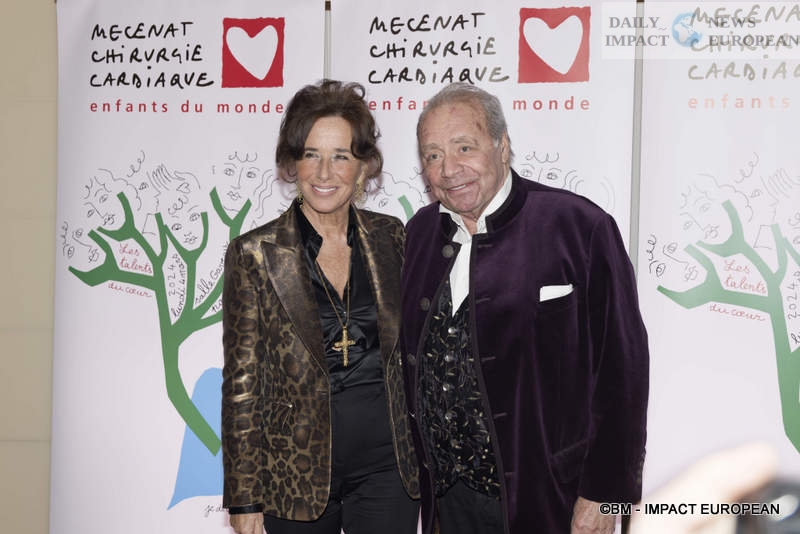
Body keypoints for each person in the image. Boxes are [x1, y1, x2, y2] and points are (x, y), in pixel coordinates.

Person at [399, 82, 649, 534]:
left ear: (502, 145)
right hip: (449, 502)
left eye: (464, 147)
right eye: (433, 155)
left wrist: (605, 492)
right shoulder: (418, 235)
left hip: (549, 496)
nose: (449, 169)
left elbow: (622, 369)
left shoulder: (578, 226)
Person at [222, 80, 419, 534]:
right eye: (311, 154)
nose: (325, 172)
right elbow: (242, 383)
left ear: (364, 166)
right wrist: (244, 495)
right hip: (294, 473)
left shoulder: (392, 238)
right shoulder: (255, 254)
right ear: (293, 163)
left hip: (388, 470)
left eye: (341, 156)